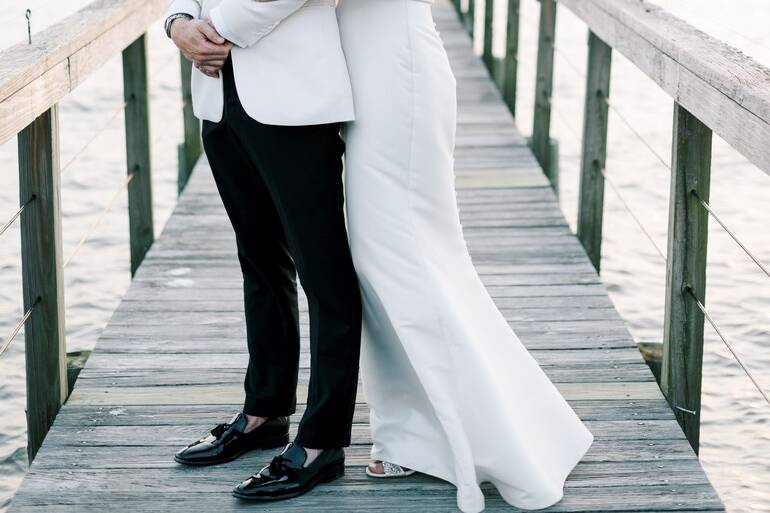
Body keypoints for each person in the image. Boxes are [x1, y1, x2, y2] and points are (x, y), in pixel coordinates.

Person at [335, 1, 594, 511]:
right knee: (391, 260)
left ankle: (465, 434)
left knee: (397, 258)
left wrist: (226, 27)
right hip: (366, 66)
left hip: (393, 72)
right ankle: (416, 434)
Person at [164, 0, 362, 502]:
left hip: (290, 94)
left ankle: (322, 442)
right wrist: (179, 23)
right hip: (218, 95)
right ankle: (265, 412)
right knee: (259, 261)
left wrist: (218, 31)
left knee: (325, 275)